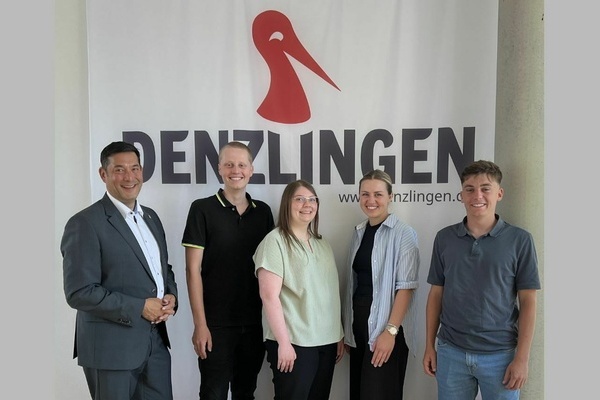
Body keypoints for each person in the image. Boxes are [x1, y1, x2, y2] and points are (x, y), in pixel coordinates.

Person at [61, 141, 178, 400]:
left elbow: (162, 269)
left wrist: (171, 295)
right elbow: (79, 292)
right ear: (103, 174)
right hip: (110, 350)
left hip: (155, 345)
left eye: (135, 168)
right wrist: (139, 307)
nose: (129, 177)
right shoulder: (85, 223)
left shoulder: (151, 218)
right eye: (119, 170)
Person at [422, 160, 541, 400]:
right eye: (470, 189)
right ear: (461, 195)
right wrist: (429, 346)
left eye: (486, 188)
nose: (477, 196)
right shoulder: (444, 238)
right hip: (451, 352)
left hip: (501, 356)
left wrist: (522, 359)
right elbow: (436, 294)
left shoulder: (520, 240)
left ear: (499, 193)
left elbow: (528, 301)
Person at [181, 141, 274, 400]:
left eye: (242, 165)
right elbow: (192, 270)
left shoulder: (263, 212)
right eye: (229, 164)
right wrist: (200, 325)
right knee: (213, 394)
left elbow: (271, 272)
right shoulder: (202, 209)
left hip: (255, 323)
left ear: (251, 170)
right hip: (215, 325)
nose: (236, 170)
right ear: (220, 168)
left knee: (246, 393)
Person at [253, 180, 344, 400]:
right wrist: (284, 343)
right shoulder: (274, 242)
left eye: (312, 199)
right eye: (300, 199)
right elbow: (269, 296)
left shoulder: (323, 244)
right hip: (294, 342)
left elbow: (329, 294)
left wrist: (338, 334)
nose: (307, 204)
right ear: (287, 203)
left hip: (326, 341)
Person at [341, 169, 420, 400]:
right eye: (365, 194)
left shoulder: (404, 234)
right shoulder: (358, 232)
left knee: (379, 393)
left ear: (390, 197)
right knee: (360, 393)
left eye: (378, 194)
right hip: (359, 325)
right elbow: (354, 284)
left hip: (387, 327)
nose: (371, 200)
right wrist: (349, 332)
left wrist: (390, 332)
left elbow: (406, 288)